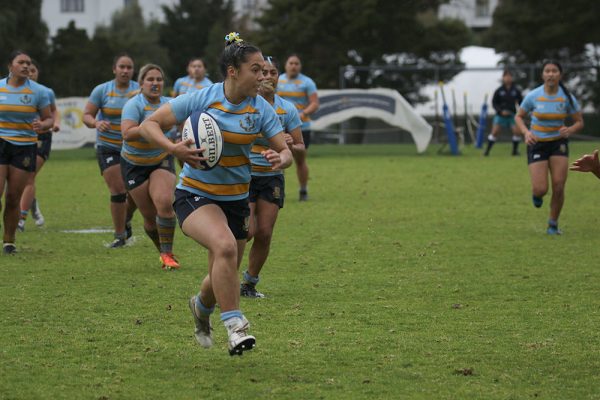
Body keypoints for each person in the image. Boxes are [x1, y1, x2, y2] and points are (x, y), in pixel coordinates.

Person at [139, 32, 292, 356]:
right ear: (233, 71)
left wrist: (282, 158)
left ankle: (201, 307)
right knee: (223, 247)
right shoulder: (202, 98)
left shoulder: (260, 109)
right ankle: (236, 327)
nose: (263, 76)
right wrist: (173, 148)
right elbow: (149, 125)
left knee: (223, 269)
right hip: (195, 194)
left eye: (265, 70)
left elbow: (286, 150)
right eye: (256, 69)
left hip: (236, 199)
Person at [241, 56, 304, 298]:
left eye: (273, 73)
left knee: (265, 233)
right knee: (246, 231)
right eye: (263, 72)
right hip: (244, 175)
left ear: (279, 77)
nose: (268, 77)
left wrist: (289, 143)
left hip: (272, 177)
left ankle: (249, 283)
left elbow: (300, 146)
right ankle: (222, 278)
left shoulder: (287, 109)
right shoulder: (245, 104)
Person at [515, 60, 584, 235]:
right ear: (543, 75)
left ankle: (553, 224)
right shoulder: (533, 95)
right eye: (547, 71)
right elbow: (519, 117)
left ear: (560, 75)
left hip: (557, 144)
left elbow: (579, 122)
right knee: (541, 189)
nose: (551, 74)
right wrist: (526, 133)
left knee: (559, 186)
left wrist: (569, 130)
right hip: (536, 143)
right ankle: (537, 195)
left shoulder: (566, 97)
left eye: (554, 71)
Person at [121, 64, 179, 270]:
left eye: (159, 80)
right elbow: (127, 134)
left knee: (164, 202)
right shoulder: (133, 105)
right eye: (150, 79)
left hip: (160, 160)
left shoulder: (170, 104)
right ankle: (161, 250)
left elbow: (185, 125)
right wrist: (150, 127)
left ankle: (168, 254)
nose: (155, 83)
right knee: (149, 218)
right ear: (141, 83)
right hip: (133, 164)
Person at [83, 53, 139, 248]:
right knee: (118, 190)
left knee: (134, 192)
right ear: (114, 69)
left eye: (129, 67)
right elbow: (87, 115)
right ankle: (119, 236)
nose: (125, 71)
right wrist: (96, 122)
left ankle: (126, 219)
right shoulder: (102, 90)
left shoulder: (139, 91)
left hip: (134, 148)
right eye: (121, 67)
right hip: (108, 147)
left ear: (133, 70)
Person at [0, 51, 53, 254]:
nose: (25, 66)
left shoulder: (39, 92)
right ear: (10, 66)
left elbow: (48, 119)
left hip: (24, 147)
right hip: (1, 143)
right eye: (20, 62)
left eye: (28, 63)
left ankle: (9, 240)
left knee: (13, 197)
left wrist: (43, 124)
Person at [18, 59, 60, 231]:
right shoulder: (14, 92)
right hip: (20, 140)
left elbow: (54, 110)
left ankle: (20, 218)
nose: (30, 72)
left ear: (37, 73)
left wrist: (54, 123)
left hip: (41, 138)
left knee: (29, 176)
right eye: (28, 70)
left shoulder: (45, 92)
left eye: (34, 70)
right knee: (17, 179)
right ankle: (32, 204)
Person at [277, 54, 319, 201]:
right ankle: (278, 189)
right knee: (280, 158)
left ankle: (303, 190)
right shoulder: (278, 80)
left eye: (296, 63)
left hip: (301, 127)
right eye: (291, 63)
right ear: (285, 65)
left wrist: (303, 114)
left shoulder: (307, 82)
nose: (293, 66)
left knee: (300, 160)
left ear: (300, 66)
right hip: (280, 127)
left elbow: (314, 103)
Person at [484, 69, 523, 156]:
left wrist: (522, 112)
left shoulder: (516, 90)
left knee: (517, 132)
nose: (508, 78)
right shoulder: (499, 90)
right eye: (506, 76)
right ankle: (487, 151)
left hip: (512, 115)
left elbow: (521, 102)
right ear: (503, 78)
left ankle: (514, 151)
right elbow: (494, 103)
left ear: (512, 78)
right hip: (500, 116)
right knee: (494, 132)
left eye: (509, 76)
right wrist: (500, 111)